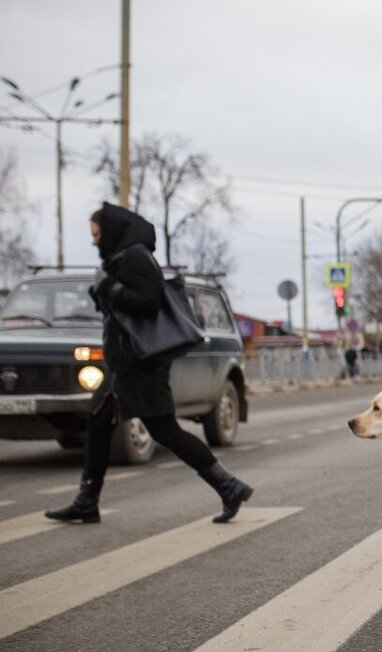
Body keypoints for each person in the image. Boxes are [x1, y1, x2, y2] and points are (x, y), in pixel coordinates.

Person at [46, 203, 254, 524]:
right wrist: (103, 292)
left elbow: (148, 303)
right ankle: (87, 500)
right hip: (125, 367)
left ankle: (228, 486)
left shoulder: (135, 257)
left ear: (112, 231)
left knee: (165, 431)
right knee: (99, 423)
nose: (93, 242)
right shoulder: (122, 259)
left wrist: (109, 288)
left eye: (96, 234)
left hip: (141, 366)